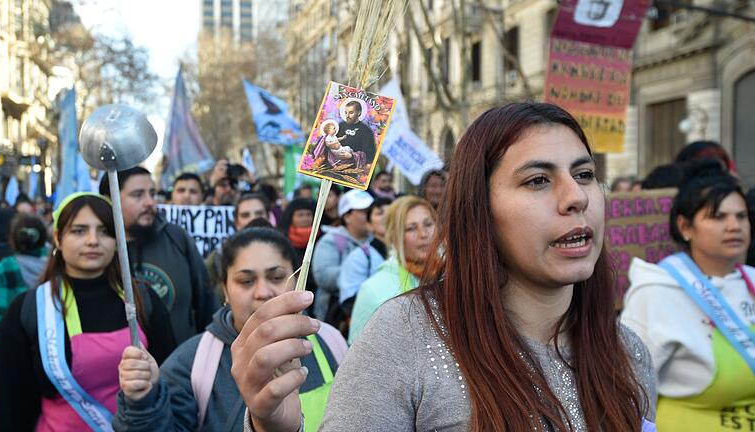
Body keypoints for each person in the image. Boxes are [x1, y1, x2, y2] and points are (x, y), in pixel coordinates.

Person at [230, 102, 656, 431]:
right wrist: (274, 427)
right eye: (538, 180)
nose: (575, 197)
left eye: (583, 174)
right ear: (478, 209)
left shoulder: (628, 353)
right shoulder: (403, 335)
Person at [113, 227, 346, 432]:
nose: (263, 292)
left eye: (276, 277)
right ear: (225, 289)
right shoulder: (192, 363)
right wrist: (143, 401)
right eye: (246, 281)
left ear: (298, 280)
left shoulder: (333, 343)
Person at [0, 192, 176, 431]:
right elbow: (8, 403)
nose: (93, 240)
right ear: (57, 237)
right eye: (79, 231)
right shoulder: (29, 308)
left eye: (105, 231)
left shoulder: (144, 300)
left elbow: (173, 379)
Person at [621, 170, 753, 431]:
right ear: (685, 227)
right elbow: (628, 388)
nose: (734, 226)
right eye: (718, 217)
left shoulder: (751, 281)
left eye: (741, 216)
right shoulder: (656, 290)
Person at [100, 167, 217, 344]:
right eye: (138, 195)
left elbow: (206, 303)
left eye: (152, 194)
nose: (150, 203)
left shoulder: (177, 237)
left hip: (182, 365)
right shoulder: (99, 249)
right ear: (110, 200)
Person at [348, 196, 435, 343]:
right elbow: (358, 359)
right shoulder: (372, 290)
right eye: (411, 228)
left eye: (428, 224)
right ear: (394, 237)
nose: (423, 234)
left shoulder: (453, 277)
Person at [0, 213, 49, 389]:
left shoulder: (0, 268)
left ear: (13, 238)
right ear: (42, 237)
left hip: (2, 347)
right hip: (46, 347)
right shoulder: (55, 267)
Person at [311, 189, 373, 323]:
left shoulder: (377, 240)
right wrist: (359, 271)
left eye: (371, 210)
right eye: (363, 211)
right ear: (347, 216)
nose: (370, 215)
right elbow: (323, 276)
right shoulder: (331, 240)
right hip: (336, 317)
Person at [206, 193, 271, 298]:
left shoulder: (286, 252)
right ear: (236, 223)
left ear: (268, 217)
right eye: (245, 215)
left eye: (259, 213)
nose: (252, 219)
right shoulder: (218, 256)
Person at [337, 197, 391, 315]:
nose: (387, 217)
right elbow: (349, 301)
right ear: (369, 225)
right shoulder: (358, 258)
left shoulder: (410, 253)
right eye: (380, 213)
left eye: (392, 212)